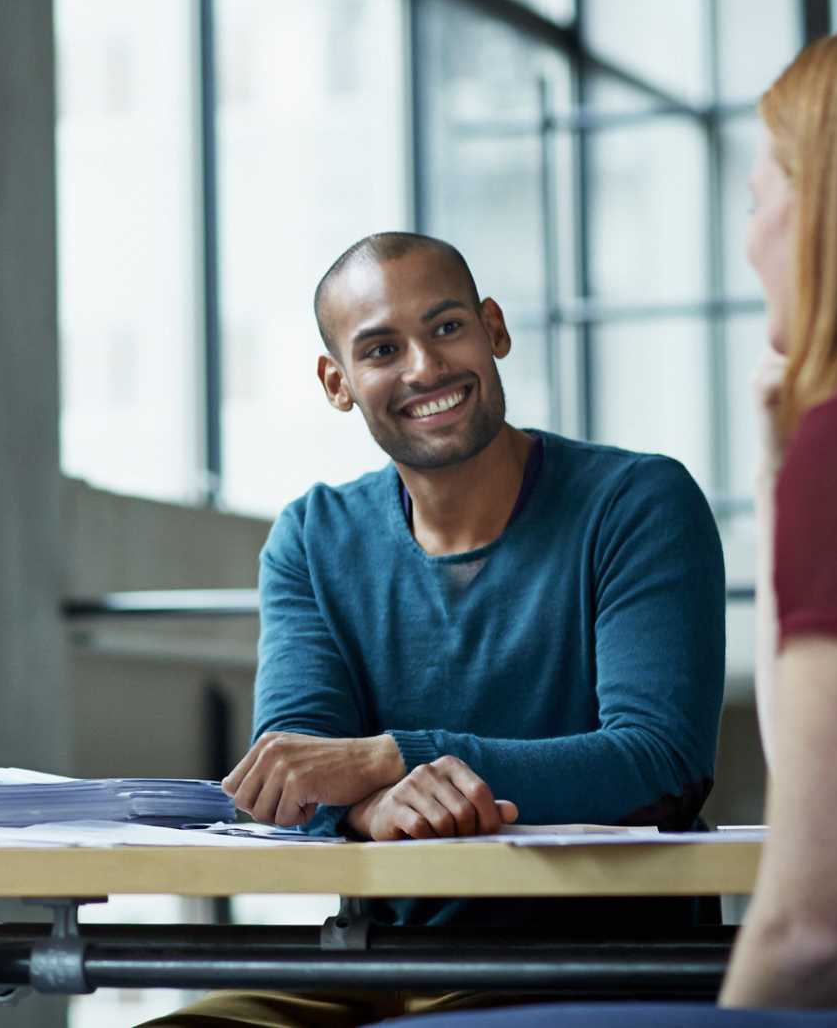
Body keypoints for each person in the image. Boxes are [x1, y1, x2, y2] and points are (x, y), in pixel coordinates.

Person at [382, 28, 837, 1026]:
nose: (749, 234)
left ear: (830, 213)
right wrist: (779, 476)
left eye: (756, 197)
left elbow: (809, 922)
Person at [146, 231, 726, 1028]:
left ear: (494, 329)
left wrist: (395, 756)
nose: (424, 367)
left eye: (447, 327)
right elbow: (297, 763)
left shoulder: (639, 503)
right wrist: (364, 809)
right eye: (382, 348)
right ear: (338, 382)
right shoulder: (313, 536)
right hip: (371, 960)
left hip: (590, 972)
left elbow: (661, 762)